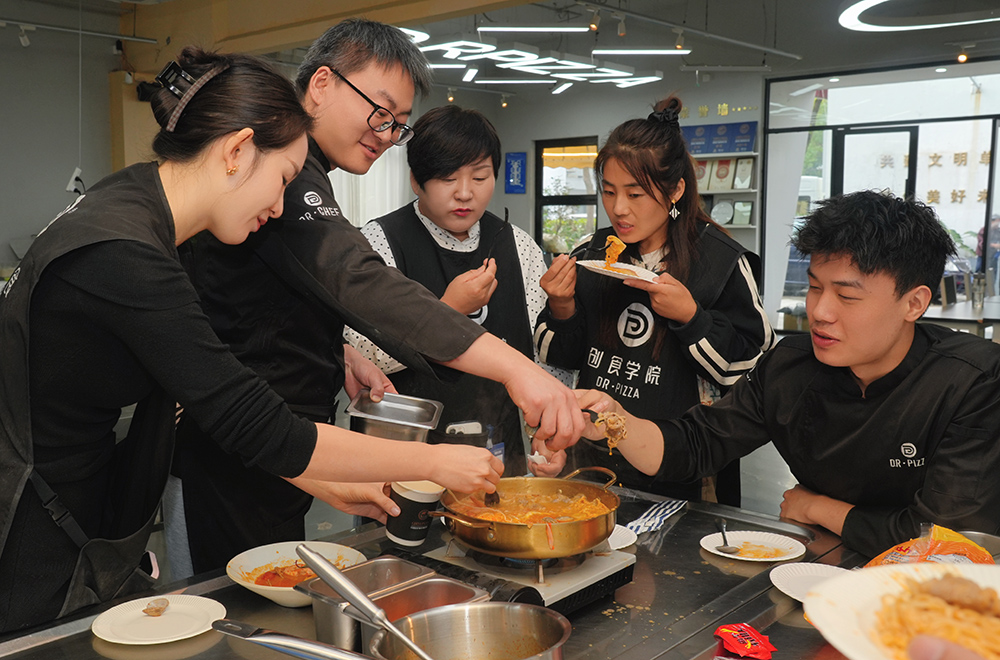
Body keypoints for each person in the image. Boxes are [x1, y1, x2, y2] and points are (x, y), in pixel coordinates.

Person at [0, 48, 504, 633]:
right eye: (284, 178)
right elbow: (251, 418)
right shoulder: (127, 255)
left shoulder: (134, 205)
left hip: (74, 496)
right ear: (237, 151)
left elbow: (213, 387)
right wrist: (436, 461)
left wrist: (321, 474)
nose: (281, 204)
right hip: (34, 520)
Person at [174, 19, 583, 574]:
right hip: (241, 447)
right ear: (322, 84)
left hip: (280, 444)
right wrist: (516, 369)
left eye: (398, 124)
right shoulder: (289, 174)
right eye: (381, 113)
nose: (388, 134)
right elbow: (358, 280)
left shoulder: (303, 172)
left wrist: (336, 352)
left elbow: (268, 297)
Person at [570, 190, 1000, 558]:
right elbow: (698, 443)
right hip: (820, 564)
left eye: (846, 296)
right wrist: (614, 420)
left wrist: (818, 508)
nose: (820, 312)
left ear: (914, 303)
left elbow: (948, 543)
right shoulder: (791, 366)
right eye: (814, 287)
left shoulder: (971, 381)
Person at [532, 96, 774, 503]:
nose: (619, 209)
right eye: (609, 192)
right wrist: (561, 306)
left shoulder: (721, 262)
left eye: (636, 194)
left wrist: (691, 317)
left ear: (675, 190)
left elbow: (751, 370)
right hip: (590, 462)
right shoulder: (593, 251)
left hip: (682, 472)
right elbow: (563, 358)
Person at [344, 105, 572, 477]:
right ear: (416, 180)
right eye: (448, 178)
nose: (465, 193)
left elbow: (540, 360)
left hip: (499, 454)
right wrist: (446, 310)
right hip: (402, 457)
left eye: (480, 177)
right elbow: (363, 357)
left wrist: (549, 432)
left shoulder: (518, 246)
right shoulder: (379, 242)